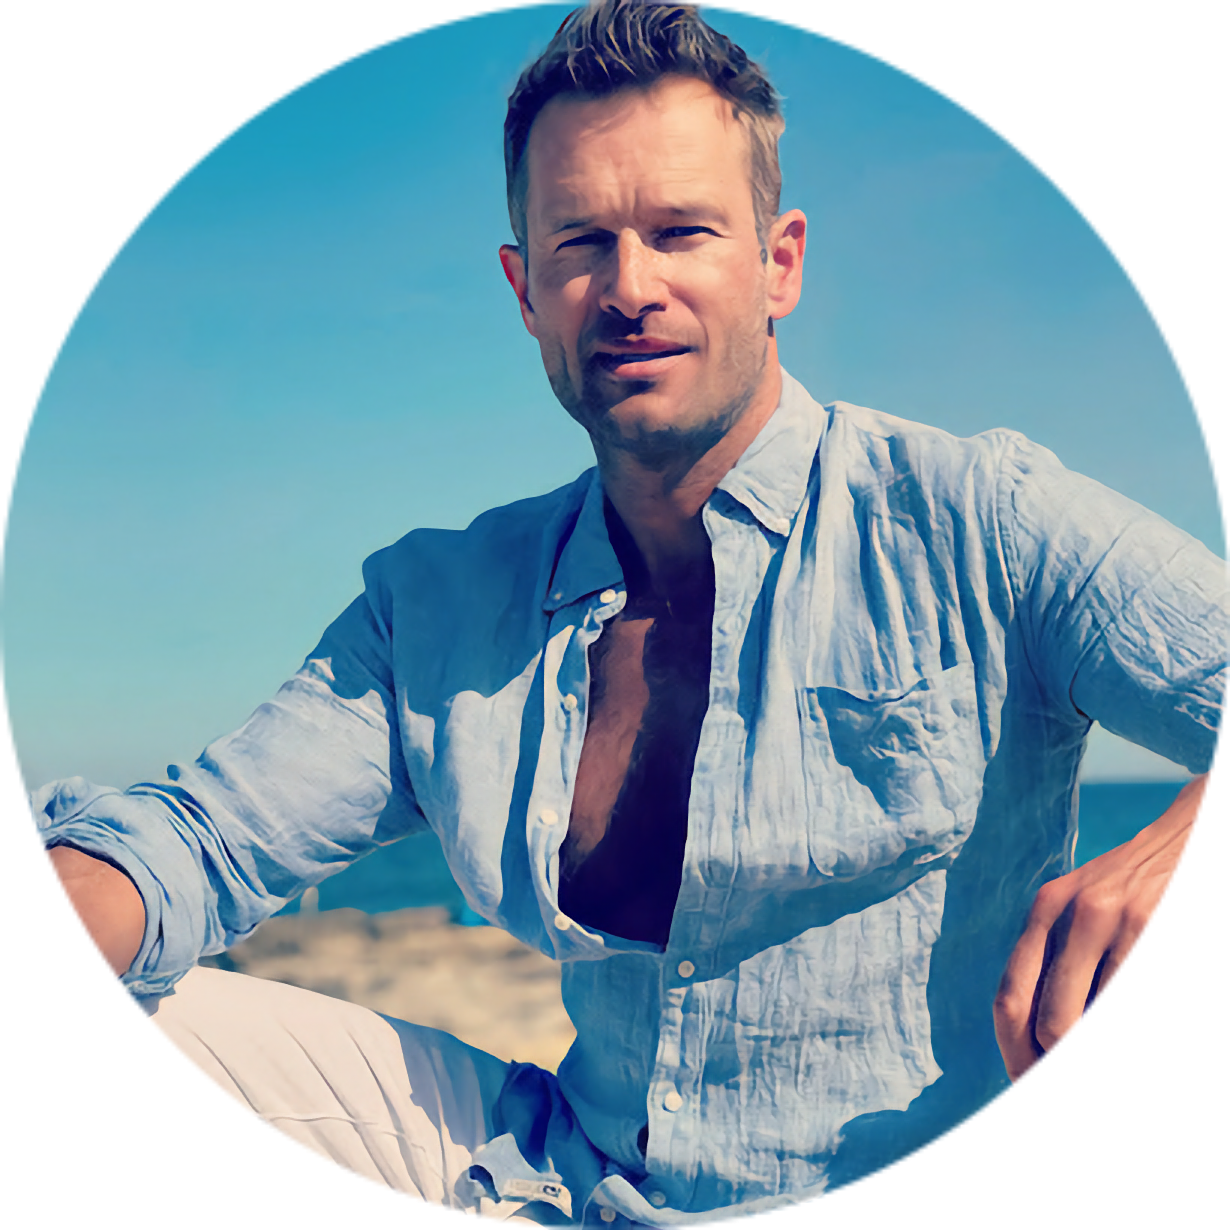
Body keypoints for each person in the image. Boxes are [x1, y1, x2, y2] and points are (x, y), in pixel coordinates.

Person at [31, 0, 1230, 1224]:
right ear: (525, 289)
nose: (629, 288)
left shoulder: (978, 520)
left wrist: (1184, 843)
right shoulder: (442, 606)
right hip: (566, 1183)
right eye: (581, 243)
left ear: (779, 263)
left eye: (681, 231)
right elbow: (203, 842)